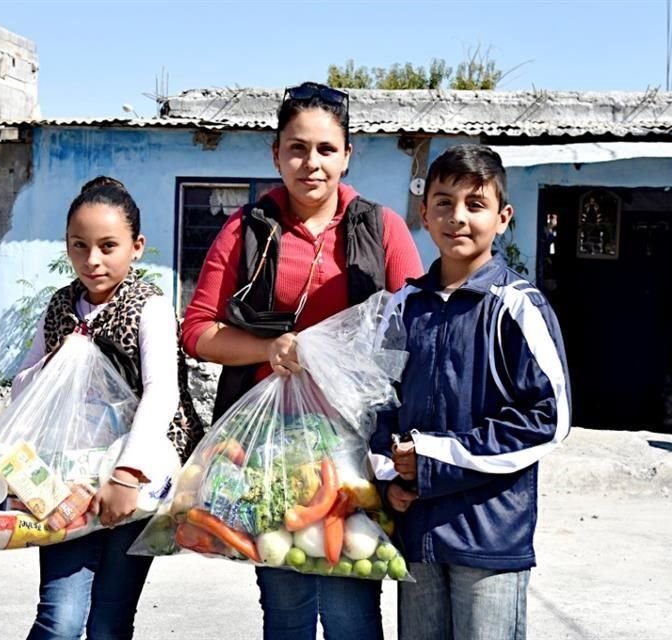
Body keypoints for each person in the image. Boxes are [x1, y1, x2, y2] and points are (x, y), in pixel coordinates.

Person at [181, 81, 423, 640]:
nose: (310, 163)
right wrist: (269, 349)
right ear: (275, 153)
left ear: (346, 155)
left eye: (324, 149)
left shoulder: (379, 228)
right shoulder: (245, 231)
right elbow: (198, 330)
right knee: (285, 601)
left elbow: (414, 332)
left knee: (350, 603)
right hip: (268, 447)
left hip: (353, 445)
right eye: (296, 148)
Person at [368, 145, 571, 640]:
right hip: (416, 531)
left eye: (475, 205)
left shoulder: (517, 308)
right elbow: (377, 402)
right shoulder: (403, 307)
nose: (457, 217)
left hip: (489, 535)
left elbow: (550, 419)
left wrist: (432, 457)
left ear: (503, 218)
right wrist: (388, 475)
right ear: (424, 214)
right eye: (443, 202)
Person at [14, 176, 186, 639]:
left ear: (137, 246)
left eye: (108, 246)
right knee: (59, 618)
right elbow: (22, 388)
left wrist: (127, 473)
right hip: (65, 479)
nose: (93, 260)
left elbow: (162, 393)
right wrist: (62, 358)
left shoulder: (148, 307)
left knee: (109, 621)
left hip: (134, 482)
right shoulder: (60, 307)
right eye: (79, 246)